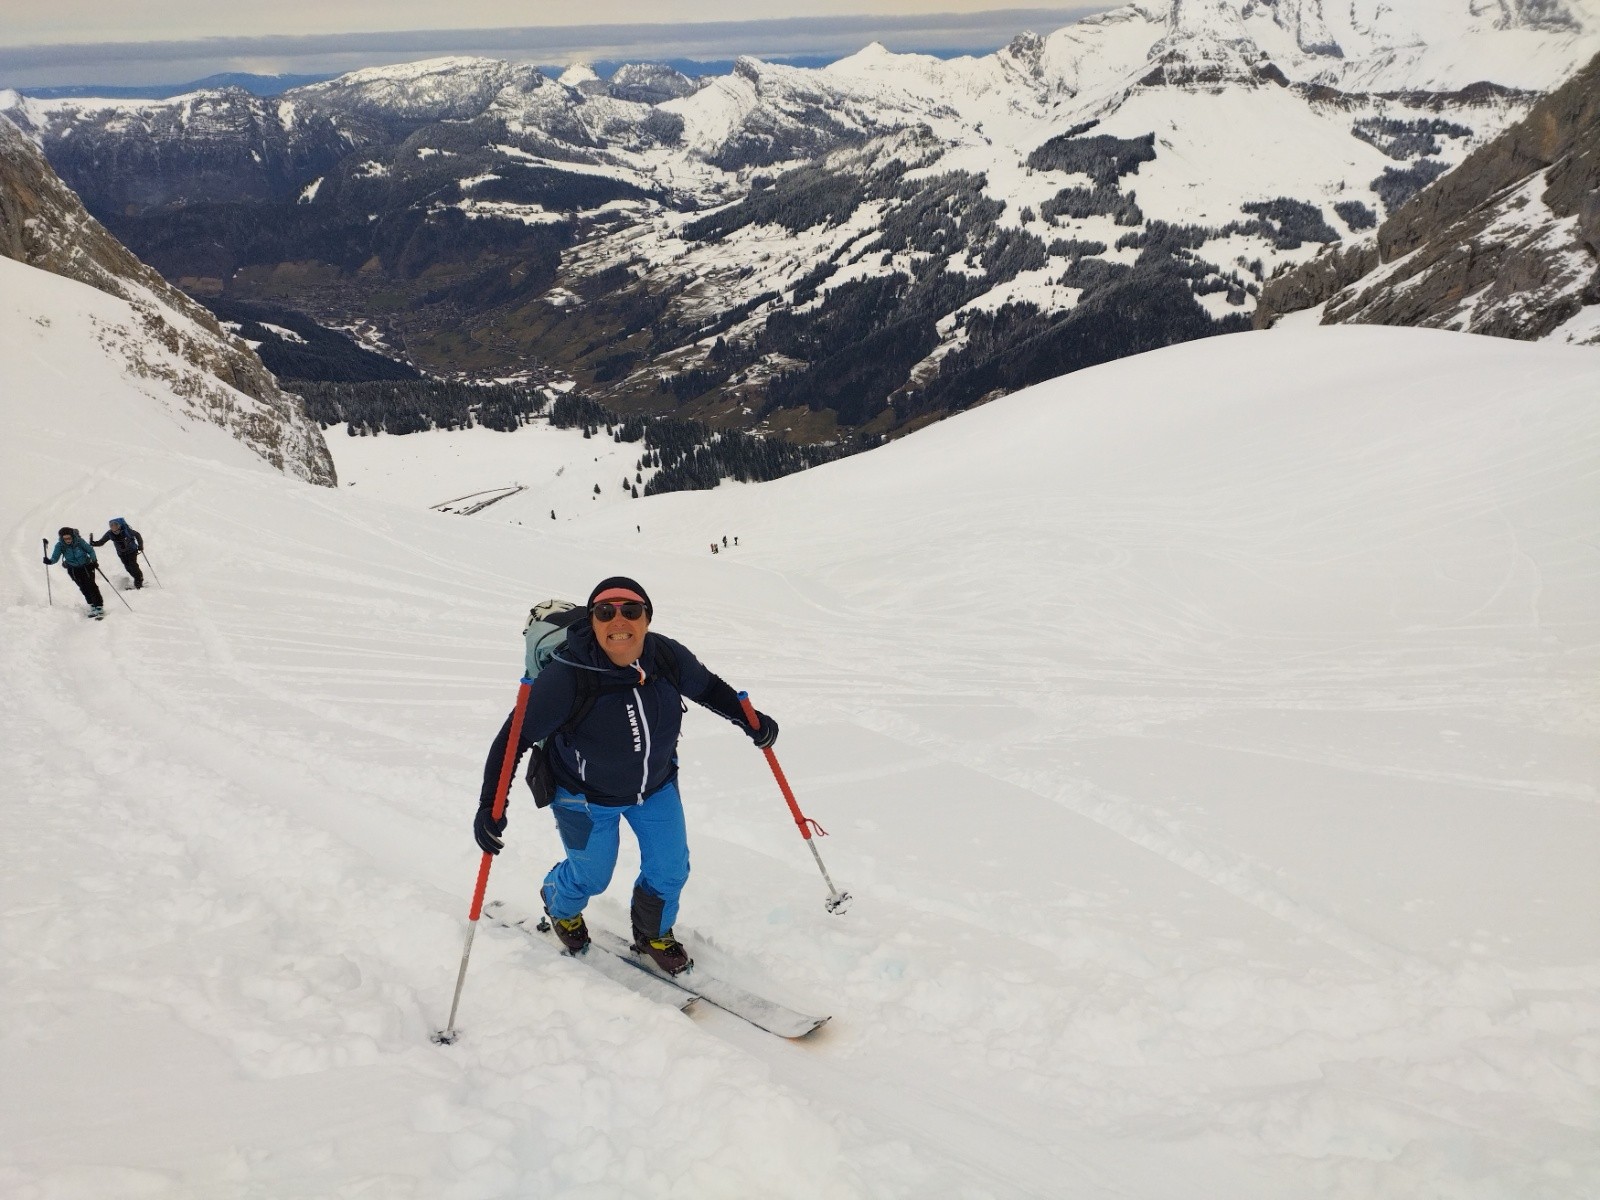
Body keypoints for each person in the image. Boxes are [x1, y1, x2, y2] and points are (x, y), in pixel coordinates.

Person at [474, 576, 778, 974]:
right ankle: (559, 904)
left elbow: (709, 688)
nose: (619, 620)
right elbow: (512, 739)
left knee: (670, 869)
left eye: (631, 610)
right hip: (583, 797)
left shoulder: (665, 656)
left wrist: (750, 720)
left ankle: (653, 932)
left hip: (656, 787)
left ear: (647, 618)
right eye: (605, 612)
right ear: (593, 621)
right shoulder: (566, 676)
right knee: (591, 877)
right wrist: (490, 805)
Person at [44, 527, 103, 616]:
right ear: (61, 538)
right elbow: (55, 558)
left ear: (72, 536)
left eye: (69, 538)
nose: (67, 540)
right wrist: (49, 561)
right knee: (83, 588)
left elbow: (90, 550)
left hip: (86, 567)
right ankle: (92, 605)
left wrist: (94, 561)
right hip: (73, 570)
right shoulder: (60, 545)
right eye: (65, 538)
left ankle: (98, 606)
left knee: (91, 586)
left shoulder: (79, 541)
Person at [92, 517, 145, 589]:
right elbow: (101, 542)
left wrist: (140, 546)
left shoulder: (127, 530)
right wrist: (94, 543)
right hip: (121, 554)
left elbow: (137, 535)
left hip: (131, 551)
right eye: (111, 526)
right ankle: (138, 577)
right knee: (128, 568)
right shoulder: (109, 533)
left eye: (115, 525)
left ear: (119, 525)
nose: (114, 528)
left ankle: (138, 581)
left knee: (133, 566)